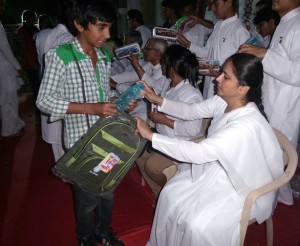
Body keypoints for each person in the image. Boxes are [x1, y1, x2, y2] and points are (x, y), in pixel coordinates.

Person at [135, 53, 292, 245]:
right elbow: (191, 111)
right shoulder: (223, 101)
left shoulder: (244, 125)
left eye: (225, 76)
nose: (217, 78)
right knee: (170, 195)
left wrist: (150, 135)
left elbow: (198, 153)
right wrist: (158, 99)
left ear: (242, 88)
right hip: (220, 166)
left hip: (241, 182)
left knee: (197, 224)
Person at [36, 0, 128, 245]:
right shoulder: (60, 55)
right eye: (100, 27)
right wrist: (91, 108)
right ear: (79, 25)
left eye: (109, 27)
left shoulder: (104, 55)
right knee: (86, 199)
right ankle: (85, 236)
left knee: (108, 192)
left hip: (107, 139)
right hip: (81, 144)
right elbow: (44, 101)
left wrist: (119, 103)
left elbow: (103, 97)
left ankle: (103, 231)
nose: (107, 35)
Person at [135, 44, 203, 198]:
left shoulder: (191, 95)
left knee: (152, 166)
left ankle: (168, 192)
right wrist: (150, 93)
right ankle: (159, 192)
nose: (161, 65)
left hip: (178, 142)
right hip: (160, 134)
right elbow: (158, 95)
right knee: (137, 154)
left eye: (163, 62)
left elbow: (193, 129)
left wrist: (165, 120)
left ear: (171, 67)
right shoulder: (169, 82)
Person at [239, 0, 300, 147]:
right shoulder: (285, 23)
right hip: (269, 102)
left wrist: (264, 54)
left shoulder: (297, 25)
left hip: (283, 110)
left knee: (274, 157)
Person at [178, 0, 250, 99]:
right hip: (210, 84)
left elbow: (245, 66)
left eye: (216, 4)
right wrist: (187, 43)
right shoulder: (218, 26)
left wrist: (220, 74)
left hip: (227, 89)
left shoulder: (239, 30)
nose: (212, 9)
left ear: (228, 2)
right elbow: (207, 52)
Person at [35, 0, 74, 161]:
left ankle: (61, 165)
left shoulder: (42, 35)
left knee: (55, 136)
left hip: (46, 86)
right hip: (63, 93)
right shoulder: (68, 39)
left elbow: (41, 62)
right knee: (64, 134)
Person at [0, 0, 25, 137]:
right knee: (9, 100)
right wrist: (18, 67)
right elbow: (5, 49)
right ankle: (9, 130)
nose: (4, 8)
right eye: (2, 5)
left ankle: (16, 124)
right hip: (4, 69)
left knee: (5, 100)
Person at [17, 9, 40, 100]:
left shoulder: (35, 29)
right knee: (35, 83)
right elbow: (23, 48)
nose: (34, 20)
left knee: (37, 83)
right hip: (28, 61)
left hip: (36, 59)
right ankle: (36, 101)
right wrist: (31, 62)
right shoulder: (22, 31)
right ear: (26, 19)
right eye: (32, 18)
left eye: (34, 18)